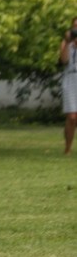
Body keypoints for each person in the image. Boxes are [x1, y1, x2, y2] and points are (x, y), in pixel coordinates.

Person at [60, 16, 77, 155]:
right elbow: (64, 60)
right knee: (72, 116)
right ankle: (68, 147)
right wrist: (67, 42)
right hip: (71, 77)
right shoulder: (67, 43)